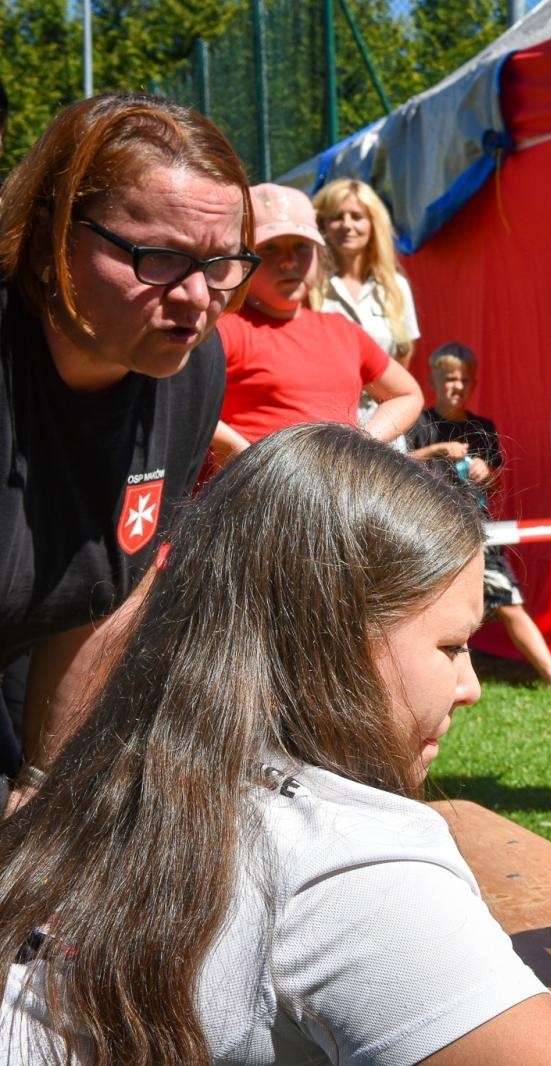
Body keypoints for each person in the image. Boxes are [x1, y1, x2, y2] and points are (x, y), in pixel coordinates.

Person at [0, 423, 551, 1065]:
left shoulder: (107, 773)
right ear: (332, 643)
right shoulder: (350, 863)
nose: (470, 686)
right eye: (452, 647)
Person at [0, 94, 257, 805]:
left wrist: (42, 787)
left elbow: (103, 595)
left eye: (222, 263)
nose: (198, 300)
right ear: (53, 234)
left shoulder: (187, 367)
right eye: (161, 258)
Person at [410, 342, 551, 694]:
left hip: (479, 532)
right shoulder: (421, 423)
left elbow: (495, 485)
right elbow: (394, 463)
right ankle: (432, 680)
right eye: (448, 379)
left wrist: (484, 473)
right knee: (429, 609)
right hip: (429, 534)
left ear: (473, 383)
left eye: (463, 379)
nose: (456, 386)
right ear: (433, 380)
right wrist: (435, 451)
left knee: (508, 601)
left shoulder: (482, 427)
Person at [211, 183, 421, 462]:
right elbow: (181, 403)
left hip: (338, 494)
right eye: (270, 248)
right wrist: (250, 459)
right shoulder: (222, 329)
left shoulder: (343, 331)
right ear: (242, 257)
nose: (288, 261)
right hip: (254, 497)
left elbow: (408, 394)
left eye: (301, 246)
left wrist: (362, 442)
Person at [313, 178, 422, 443]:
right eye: (337, 217)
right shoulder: (309, 289)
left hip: (383, 430)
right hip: (323, 427)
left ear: (373, 225)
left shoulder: (395, 288)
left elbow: (403, 357)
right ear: (322, 225)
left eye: (357, 216)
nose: (347, 225)